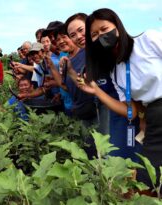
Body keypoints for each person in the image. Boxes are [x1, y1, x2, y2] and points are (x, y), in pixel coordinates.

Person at [78, 8, 162, 188]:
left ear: (117, 26)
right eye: (94, 34)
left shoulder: (148, 40)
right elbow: (131, 112)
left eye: (104, 29)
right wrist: (96, 92)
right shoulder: (116, 71)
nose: (101, 35)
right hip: (155, 117)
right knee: (148, 180)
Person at [65, 12, 141, 160]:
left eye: (81, 30)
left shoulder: (112, 52)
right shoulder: (91, 58)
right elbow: (88, 86)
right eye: (72, 35)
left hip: (125, 116)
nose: (78, 37)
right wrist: (71, 72)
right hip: (111, 115)